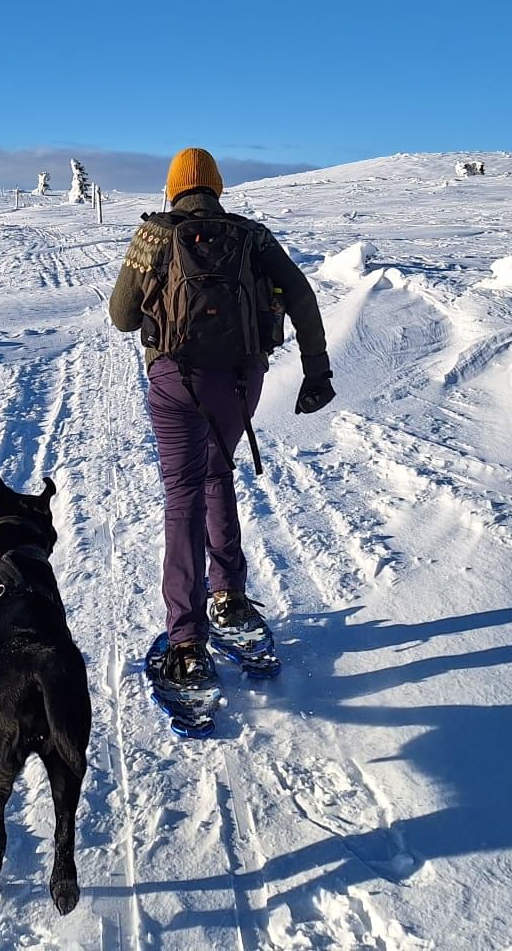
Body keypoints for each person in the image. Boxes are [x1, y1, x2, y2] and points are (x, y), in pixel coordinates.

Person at [108, 147, 334, 688]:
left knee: (181, 491)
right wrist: (316, 370)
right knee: (217, 474)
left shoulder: (155, 235)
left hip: (175, 381)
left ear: (173, 188)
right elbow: (301, 298)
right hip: (240, 380)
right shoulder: (252, 235)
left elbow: (121, 318)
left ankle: (186, 642)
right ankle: (228, 598)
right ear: (217, 185)